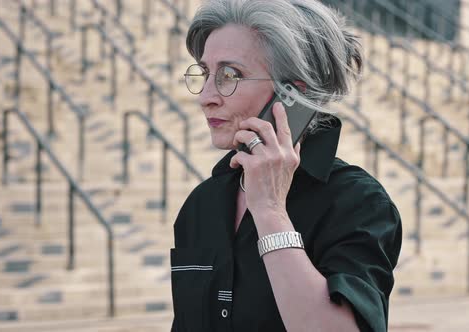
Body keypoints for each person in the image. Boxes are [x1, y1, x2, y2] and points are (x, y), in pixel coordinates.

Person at [170, 0, 402, 331]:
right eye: (206, 73)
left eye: (229, 75)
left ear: (290, 96)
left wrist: (269, 211)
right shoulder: (200, 204)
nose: (205, 95)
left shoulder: (358, 203)